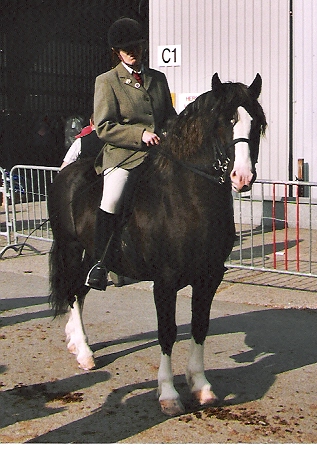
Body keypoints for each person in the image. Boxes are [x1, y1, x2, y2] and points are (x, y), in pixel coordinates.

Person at [85, 17, 177, 291]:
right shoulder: (107, 81)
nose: (132, 52)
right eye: (126, 49)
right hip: (122, 155)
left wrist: (176, 131)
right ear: (117, 52)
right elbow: (103, 126)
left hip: (157, 154)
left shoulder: (158, 79)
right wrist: (139, 135)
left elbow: (169, 117)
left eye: (136, 46)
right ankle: (99, 264)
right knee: (112, 198)